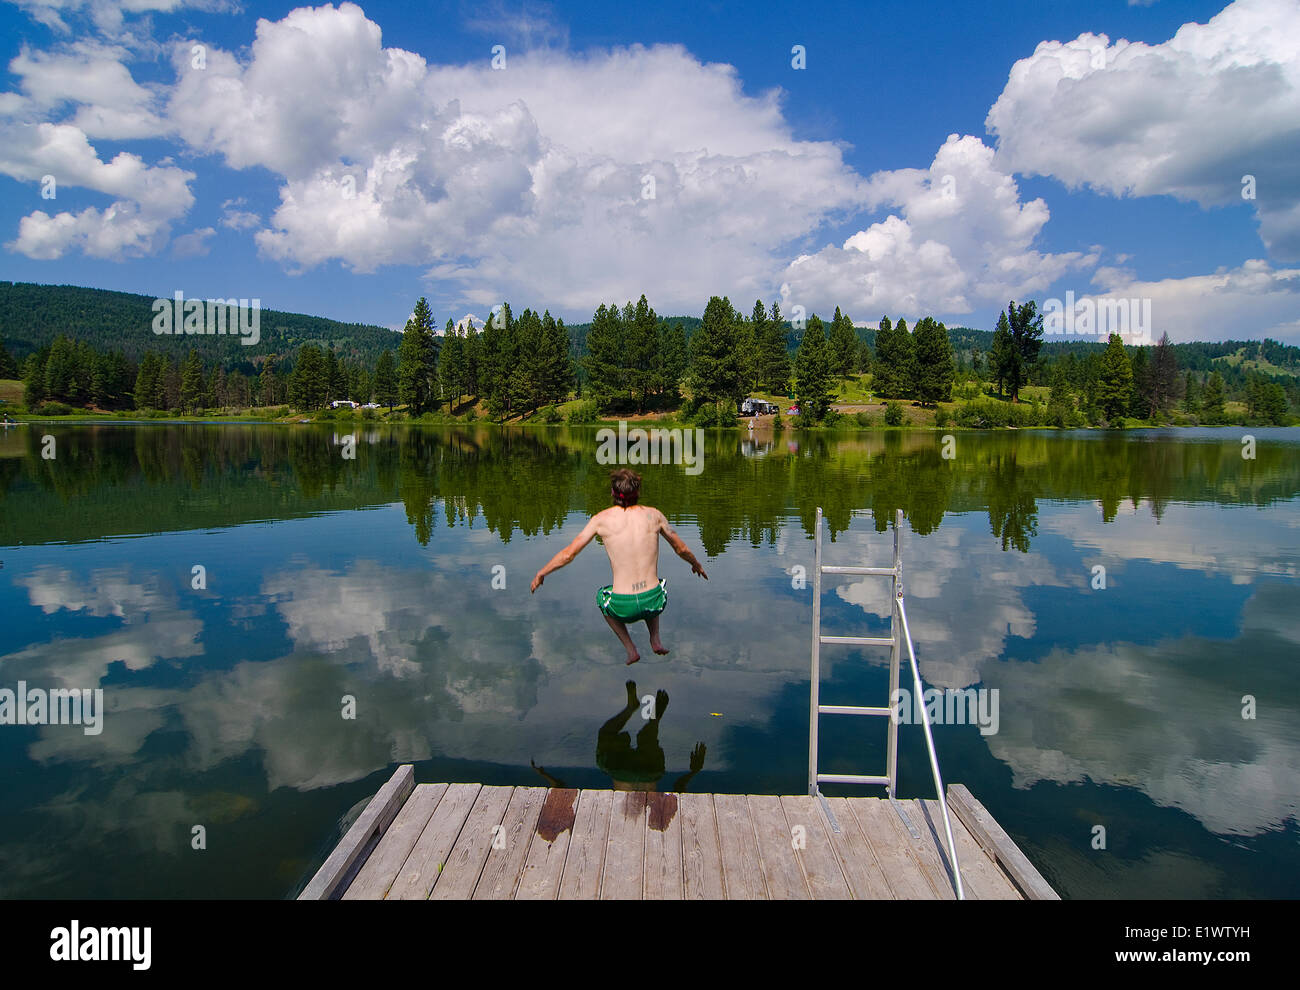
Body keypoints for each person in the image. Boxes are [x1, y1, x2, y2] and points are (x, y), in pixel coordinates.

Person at [530, 468, 707, 664]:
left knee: (602, 597)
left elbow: (569, 554)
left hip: (623, 607)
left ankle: (630, 649)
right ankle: (655, 639)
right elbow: (680, 548)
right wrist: (696, 564)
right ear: (638, 492)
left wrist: (542, 572)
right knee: (658, 583)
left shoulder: (600, 520)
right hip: (655, 602)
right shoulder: (655, 515)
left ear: (613, 493)